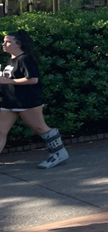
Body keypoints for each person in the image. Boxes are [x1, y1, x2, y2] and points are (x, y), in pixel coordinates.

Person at [0, 29, 69, 168]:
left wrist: (7, 81)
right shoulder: (10, 60)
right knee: (1, 130)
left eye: (8, 42)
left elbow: (32, 79)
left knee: (39, 127)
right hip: (9, 102)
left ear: (18, 44)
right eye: (4, 41)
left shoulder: (25, 59)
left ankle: (58, 153)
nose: (4, 44)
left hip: (27, 101)